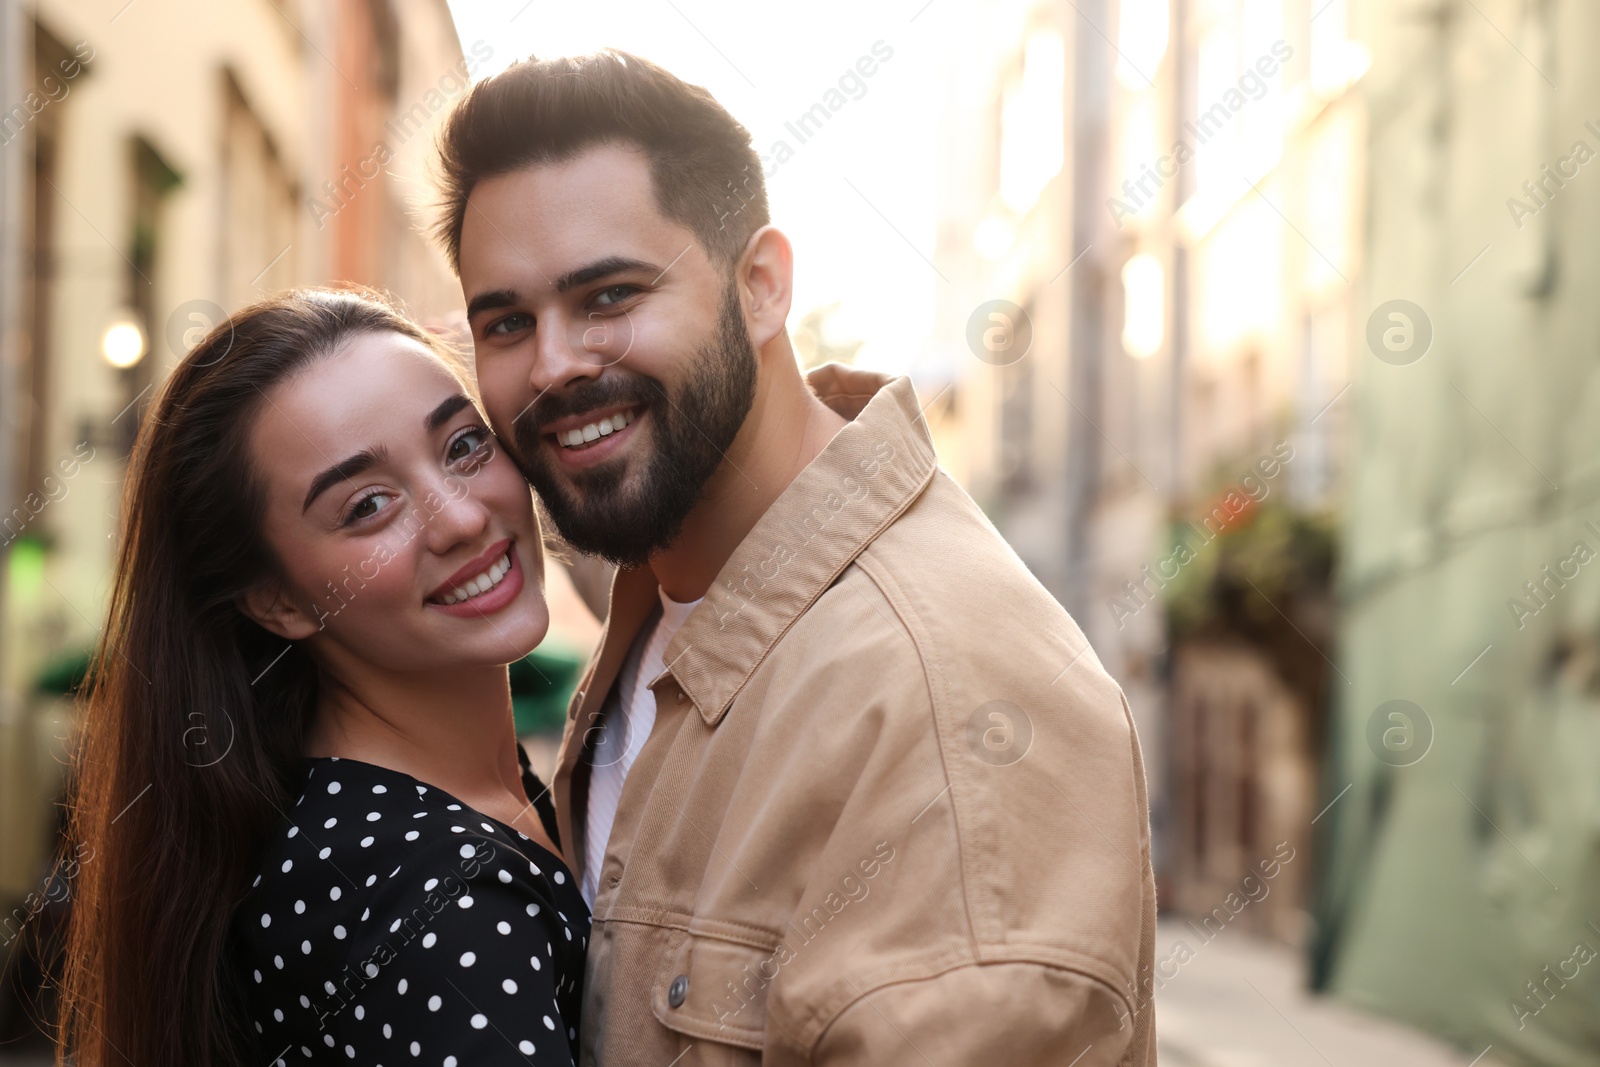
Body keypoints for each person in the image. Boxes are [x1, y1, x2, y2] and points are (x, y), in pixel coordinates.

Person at [438, 51, 1159, 1065]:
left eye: (607, 295)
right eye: (507, 320)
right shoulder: (669, 580)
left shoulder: (947, 703)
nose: (554, 363)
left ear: (763, 285)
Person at [57, 289, 587, 1066]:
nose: (462, 517)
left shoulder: (369, 822)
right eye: (368, 505)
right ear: (275, 599)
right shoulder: (435, 896)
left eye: (465, 445)